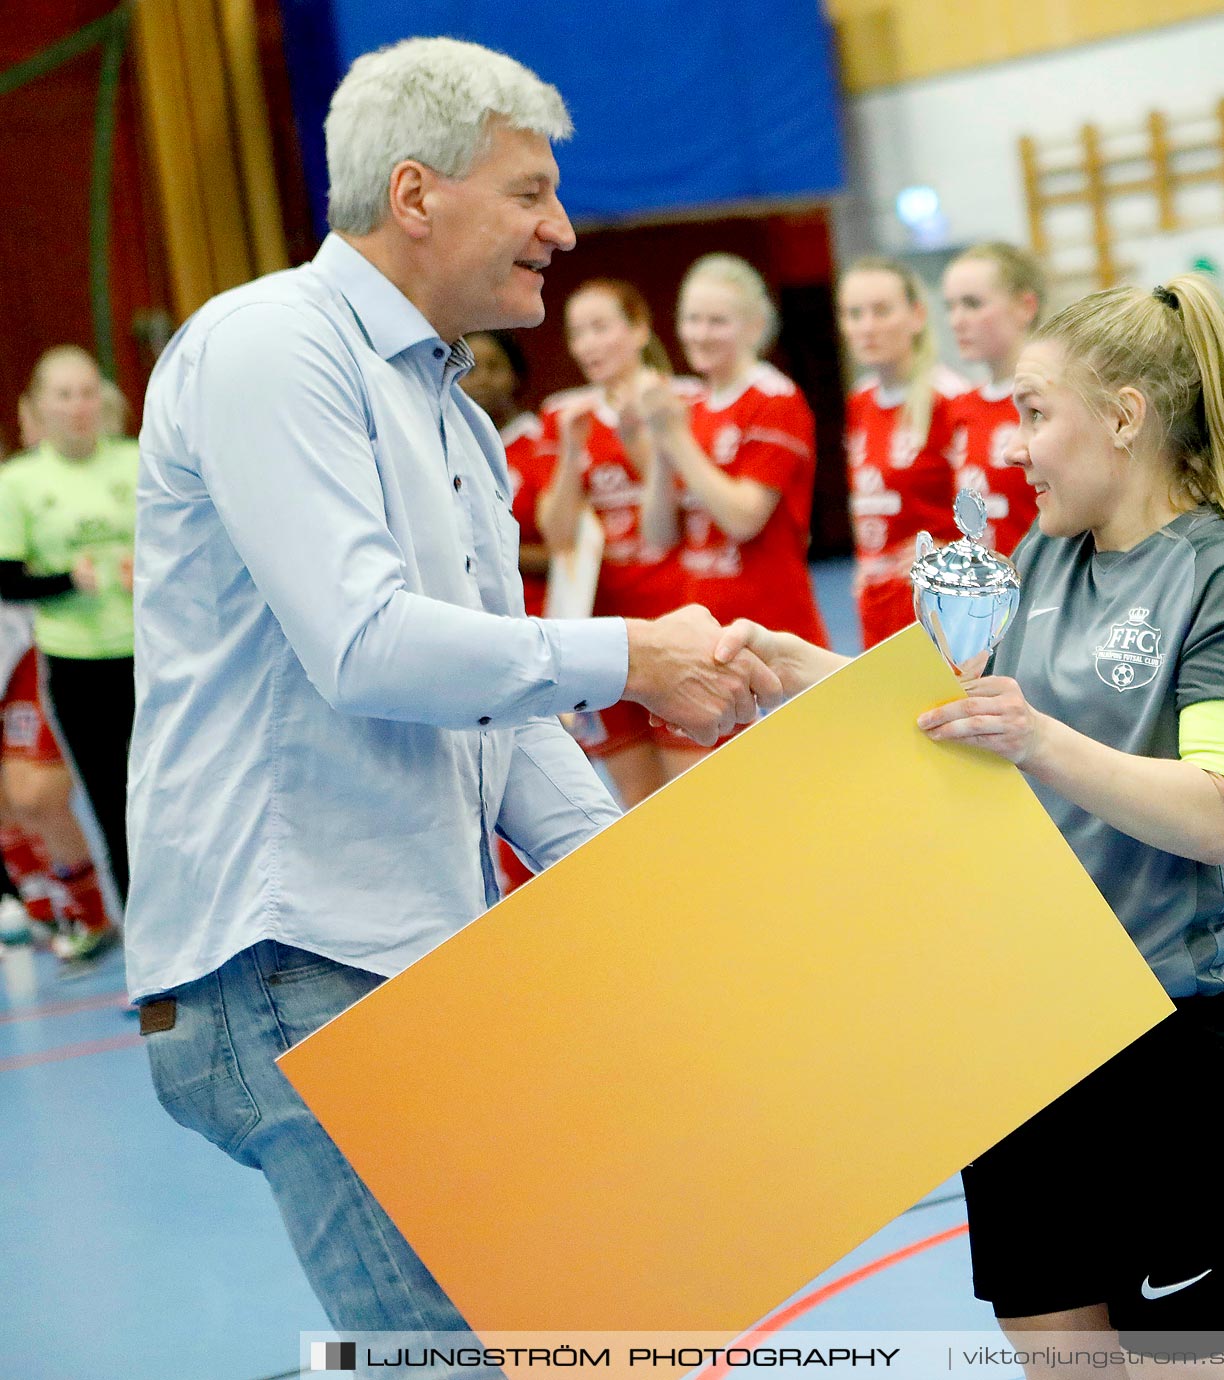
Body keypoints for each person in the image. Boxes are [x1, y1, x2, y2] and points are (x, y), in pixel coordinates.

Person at [127, 37, 778, 1340]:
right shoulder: (270, 349)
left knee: (555, 1337)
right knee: (463, 1360)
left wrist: (641, 894)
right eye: (530, 192)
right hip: (291, 966)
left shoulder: (451, 411)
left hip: (404, 966)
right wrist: (630, 656)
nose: (565, 226)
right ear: (416, 196)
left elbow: (499, 707)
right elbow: (367, 647)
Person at [716, 273, 1224, 1374]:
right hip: (1019, 1034)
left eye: (1035, 413)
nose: (1016, 448)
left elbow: (1215, 817)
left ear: (1126, 417)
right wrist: (796, 669)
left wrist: (1038, 735)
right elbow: (953, 717)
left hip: (1171, 1048)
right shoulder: (1038, 559)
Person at [634, 253, 828, 773]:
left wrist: (676, 438)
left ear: (755, 327)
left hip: (772, 628)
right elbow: (657, 535)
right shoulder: (691, 405)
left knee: (792, 790)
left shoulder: (774, 399)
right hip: (706, 630)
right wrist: (660, 443)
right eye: (691, 318)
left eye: (717, 320)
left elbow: (744, 518)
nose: (700, 332)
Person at [0, 346, 136, 960]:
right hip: (77, 662)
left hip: (154, 654)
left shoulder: (138, 462)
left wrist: (154, 570)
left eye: (87, 392)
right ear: (38, 409)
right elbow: (6, 579)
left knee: (175, 796)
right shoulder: (21, 482)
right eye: (64, 395)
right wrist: (63, 582)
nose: (78, 406)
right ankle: (143, 940)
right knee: (111, 801)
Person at [535, 278, 687, 805]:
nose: (588, 345)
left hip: (672, 611)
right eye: (578, 333)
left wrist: (640, 442)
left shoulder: (679, 399)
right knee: (639, 807)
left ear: (639, 328)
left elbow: (679, 522)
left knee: (693, 794)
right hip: (603, 629)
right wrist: (570, 456)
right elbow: (556, 535)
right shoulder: (565, 414)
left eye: (601, 328)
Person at [837, 256, 969, 646]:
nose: (866, 327)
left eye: (881, 311)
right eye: (854, 314)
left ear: (916, 315)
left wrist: (946, 554)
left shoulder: (951, 399)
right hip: (878, 605)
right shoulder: (859, 402)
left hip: (943, 608)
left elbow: (995, 514)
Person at [942, 242, 1046, 556]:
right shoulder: (960, 407)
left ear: (1025, 307)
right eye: (951, 306)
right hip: (991, 596)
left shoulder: (1051, 399)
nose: (956, 321)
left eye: (973, 304)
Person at [462, 329, 551, 615]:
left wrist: (484, 554)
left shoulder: (542, 444)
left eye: (495, 367)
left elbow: (569, 553)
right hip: (469, 612)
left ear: (515, 375)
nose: (483, 379)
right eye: (471, 370)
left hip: (538, 612)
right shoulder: (448, 445)